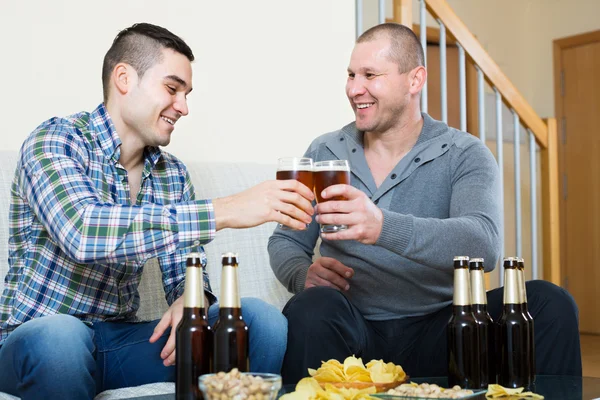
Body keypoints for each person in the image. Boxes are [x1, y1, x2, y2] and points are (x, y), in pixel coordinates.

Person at [0, 23, 315, 399]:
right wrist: (225, 209)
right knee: (59, 337)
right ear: (124, 78)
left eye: (186, 94)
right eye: (172, 88)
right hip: (36, 340)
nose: (183, 106)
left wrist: (190, 299)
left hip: (119, 342)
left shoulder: (172, 174)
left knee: (260, 321)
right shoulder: (55, 141)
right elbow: (82, 231)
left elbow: (185, 270)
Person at [268, 22, 581, 384]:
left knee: (549, 302)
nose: (355, 88)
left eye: (370, 75)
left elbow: (483, 242)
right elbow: (286, 240)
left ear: (415, 80)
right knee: (310, 306)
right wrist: (300, 273)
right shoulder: (325, 152)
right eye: (351, 74)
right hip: (353, 328)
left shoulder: (465, 153)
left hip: (444, 328)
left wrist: (382, 226)